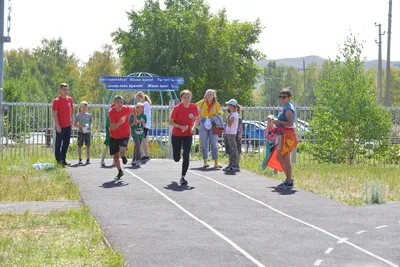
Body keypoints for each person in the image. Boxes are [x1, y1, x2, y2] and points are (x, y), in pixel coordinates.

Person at [169, 90, 199, 185]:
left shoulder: (193, 107)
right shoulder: (177, 108)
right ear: (181, 98)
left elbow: (198, 118)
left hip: (188, 135)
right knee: (177, 158)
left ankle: (183, 177)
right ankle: (176, 155)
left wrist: (193, 127)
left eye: (188, 97)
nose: (186, 99)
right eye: (184, 98)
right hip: (177, 134)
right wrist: (180, 126)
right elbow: (170, 122)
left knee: (186, 154)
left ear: (191, 97)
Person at [273, 88, 298, 188]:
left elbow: (290, 123)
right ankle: (288, 178)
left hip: (287, 135)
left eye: (284, 97)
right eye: (281, 97)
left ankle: (289, 180)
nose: (282, 99)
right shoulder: (285, 107)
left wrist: (278, 122)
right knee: (280, 157)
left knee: (285, 158)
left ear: (289, 97)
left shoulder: (288, 109)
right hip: (283, 134)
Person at [108, 96, 136, 180]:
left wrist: (135, 119)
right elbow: (112, 127)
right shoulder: (111, 112)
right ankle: (120, 171)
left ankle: (123, 157)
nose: (120, 104)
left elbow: (135, 108)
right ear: (115, 103)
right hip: (114, 136)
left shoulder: (126, 109)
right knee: (115, 156)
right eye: (118, 102)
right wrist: (120, 122)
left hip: (125, 134)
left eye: (121, 102)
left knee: (122, 150)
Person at [196, 89, 223, 168]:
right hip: (203, 121)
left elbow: (220, 113)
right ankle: (205, 161)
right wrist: (198, 112)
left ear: (213, 95)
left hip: (213, 123)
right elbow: (193, 107)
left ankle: (216, 162)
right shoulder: (201, 102)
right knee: (204, 142)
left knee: (214, 142)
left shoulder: (216, 104)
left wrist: (215, 118)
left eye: (211, 94)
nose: (209, 96)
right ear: (205, 95)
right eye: (208, 94)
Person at [52, 83, 74, 166]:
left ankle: (63, 159)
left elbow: (72, 108)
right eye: (64, 89)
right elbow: (54, 113)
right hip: (60, 126)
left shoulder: (69, 99)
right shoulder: (56, 101)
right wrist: (57, 125)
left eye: (67, 89)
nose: (66, 91)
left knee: (66, 143)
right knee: (58, 143)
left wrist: (71, 118)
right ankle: (58, 161)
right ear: (60, 90)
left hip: (68, 125)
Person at [223, 99, 240, 173]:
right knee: (229, 149)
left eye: (229, 105)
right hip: (228, 133)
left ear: (232, 106)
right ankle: (231, 164)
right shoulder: (232, 114)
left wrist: (228, 118)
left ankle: (234, 165)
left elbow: (229, 124)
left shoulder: (234, 115)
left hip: (232, 134)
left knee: (233, 149)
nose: (228, 107)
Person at [135, 91, 152, 161]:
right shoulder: (144, 104)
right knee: (142, 140)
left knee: (143, 139)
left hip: (145, 124)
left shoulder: (145, 104)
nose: (138, 101)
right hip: (144, 124)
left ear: (142, 97)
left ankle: (146, 155)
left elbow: (140, 112)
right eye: (137, 100)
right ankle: (142, 154)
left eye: (139, 99)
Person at [130, 102, 147, 167]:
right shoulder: (132, 115)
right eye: (139, 108)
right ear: (136, 109)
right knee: (138, 146)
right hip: (134, 132)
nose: (140, 110)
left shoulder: (144, 116)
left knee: (137, 146)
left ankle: (134, 159)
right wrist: (135, 122)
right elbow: (131, 125)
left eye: (141, 109)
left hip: (141, 132)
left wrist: (142, 122)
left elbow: (144, 125)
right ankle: (138, 160)